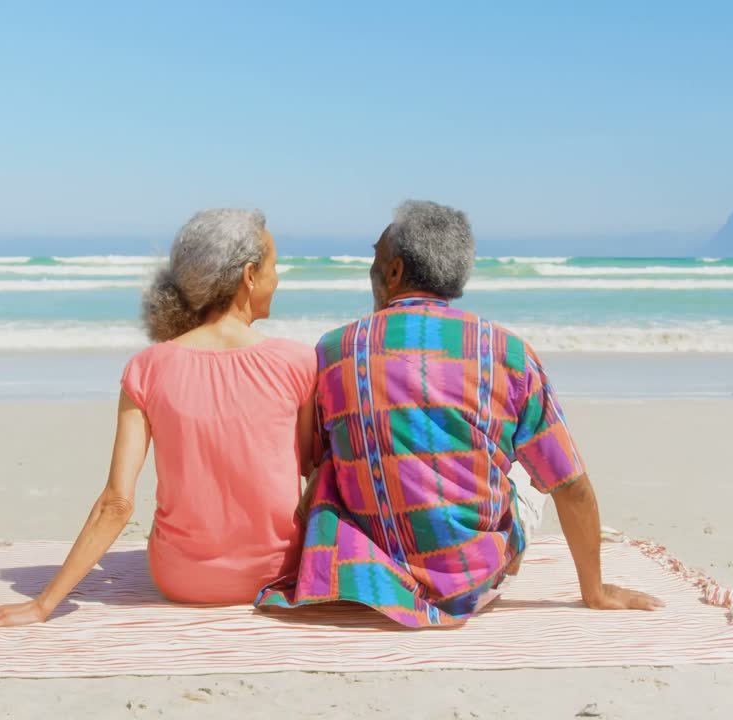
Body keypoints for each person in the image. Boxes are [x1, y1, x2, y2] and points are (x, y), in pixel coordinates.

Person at [256, 200, 663, 627]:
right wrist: (594, 591)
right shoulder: (507, 352)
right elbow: (570, 486)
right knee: (532, 469)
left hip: (367, 575)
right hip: (473, 584)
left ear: (394, 272)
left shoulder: (335, 350)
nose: (371, 268)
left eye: (375, 256)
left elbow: (313, 460)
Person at [0, 209, 317, 631]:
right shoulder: (298, 362)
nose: (278, 279)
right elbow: (312, 471)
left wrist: (44, 604)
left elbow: (117, 502)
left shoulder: (147, 368)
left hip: (182, 579)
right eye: (275, 267)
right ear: (249, 276)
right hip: (276, 575)